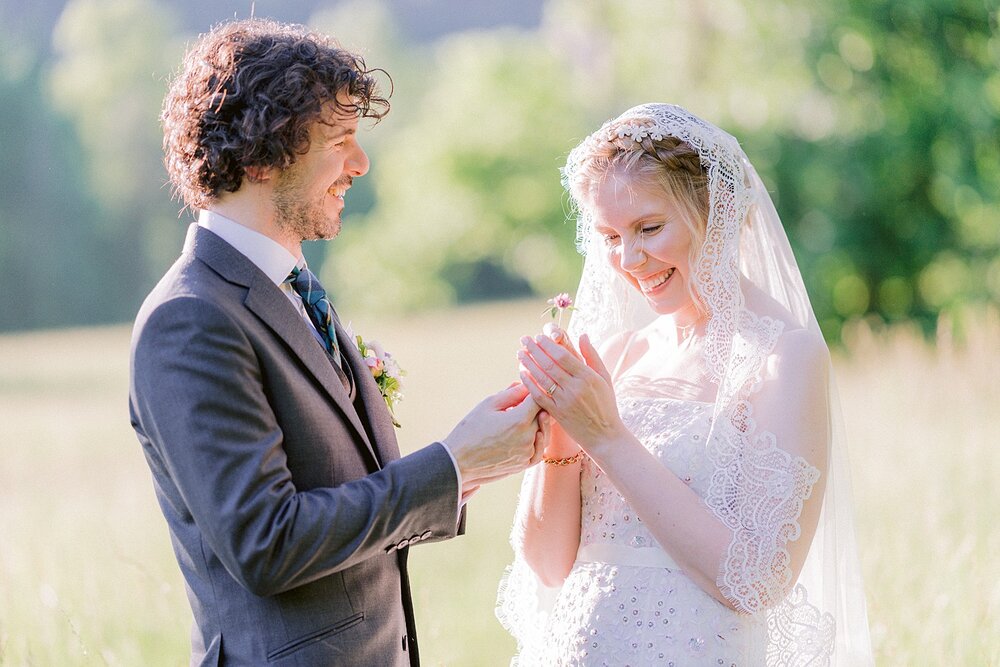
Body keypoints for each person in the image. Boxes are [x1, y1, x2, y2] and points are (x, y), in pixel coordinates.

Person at [129, 19, 544, 666]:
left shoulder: (293, 290)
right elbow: (267, 544)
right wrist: (453, 462)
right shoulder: (189, 319)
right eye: (342, 141)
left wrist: (478, 461)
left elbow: (344, 486)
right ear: (264, 155)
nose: (361, 163)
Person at [496, 104, 873, 665]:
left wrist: (607, 436)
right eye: (608, 235)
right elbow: (550, 568)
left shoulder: (783, 357)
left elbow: (758, 580)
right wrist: (561, 442)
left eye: (648, 228)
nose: (627, 258)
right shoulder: (617, 356)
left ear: (718, 213)